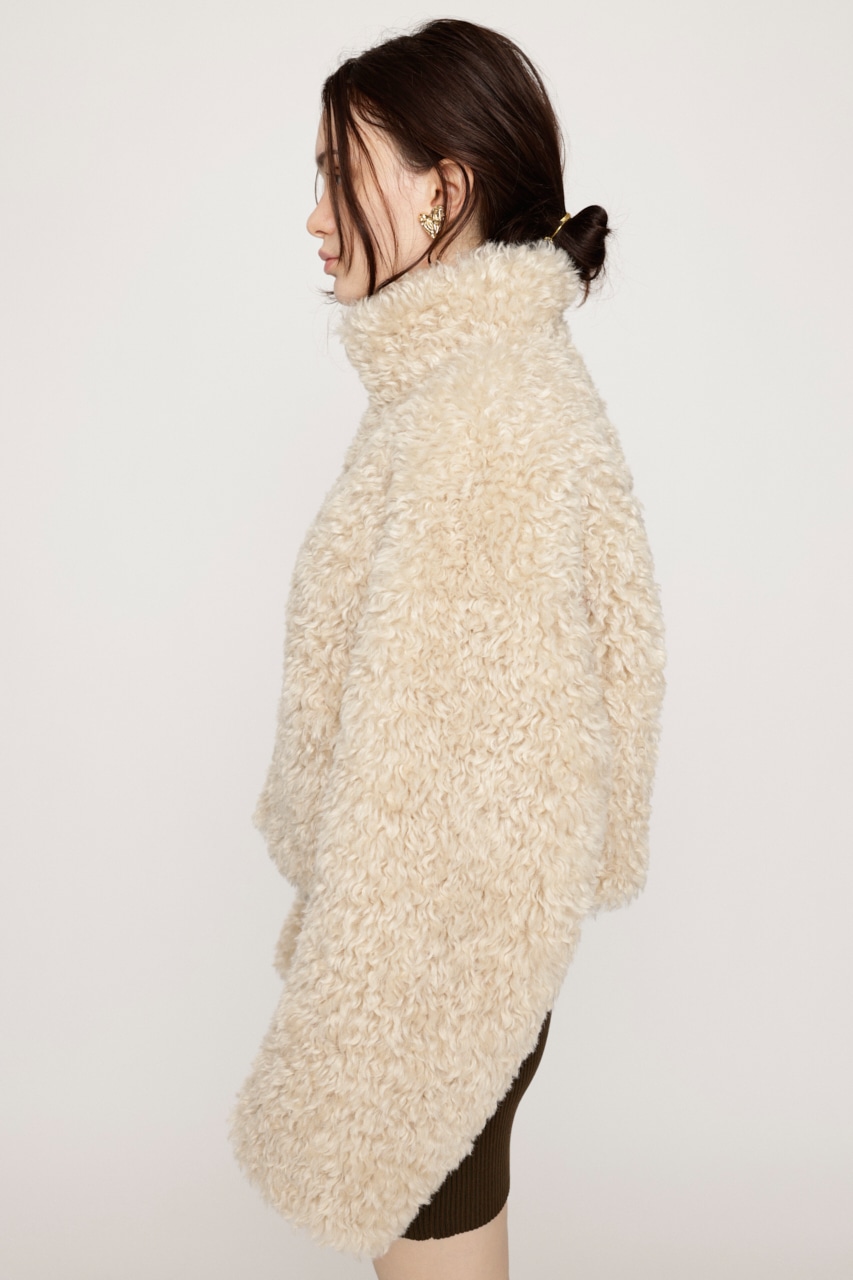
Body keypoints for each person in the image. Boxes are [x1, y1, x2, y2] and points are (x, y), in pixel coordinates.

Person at [229, 19, 667, 1280]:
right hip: (442, 957)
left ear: (443, 190)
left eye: (339, 173)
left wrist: (371, 1011)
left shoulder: (475, 422)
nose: (315, 217)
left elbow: (461, 790)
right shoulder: (474, 389)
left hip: (431, 970)